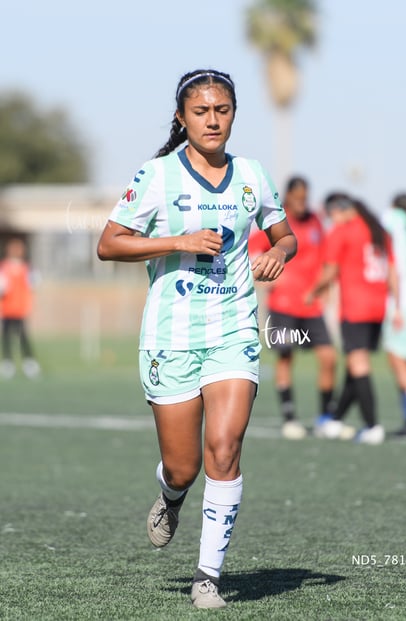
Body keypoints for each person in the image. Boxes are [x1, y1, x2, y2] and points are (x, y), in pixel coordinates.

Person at [97, 69, 297, 609]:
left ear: (234, 114)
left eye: (223, 109)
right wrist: (178, 240)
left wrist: (280, 251)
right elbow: (109, 244)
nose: (213, 120)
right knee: (184, 466)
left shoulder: (252, 174)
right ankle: (171, 494)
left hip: (233, 329)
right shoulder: (157, 175)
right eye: (202, 111)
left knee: (225, 450)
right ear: (182, 118)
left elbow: (284, 232)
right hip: (170, 337)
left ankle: (207, 576)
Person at [248, 176, 337, 440]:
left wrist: (325, 288)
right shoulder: (278, 223)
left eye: (304, 198)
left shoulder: (315, 222)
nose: (301, 203)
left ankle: (325, 418)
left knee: (329, 357)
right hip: (284, 306)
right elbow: (254, 250)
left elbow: (324, 257)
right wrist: (269, 277)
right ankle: (289, 418)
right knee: (286, 357)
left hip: (311, 306)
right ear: (288, 198)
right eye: (297, 198)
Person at [307, 193, 398, 445]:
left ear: (338, 210)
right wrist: (397, 307)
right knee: (355, 366)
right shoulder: (378, 230)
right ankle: (335, 420)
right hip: (377, 308)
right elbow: (392, 271)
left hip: (355, 308)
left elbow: (331, 270)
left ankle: (372, 425)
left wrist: (312, 291)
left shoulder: (343, 231)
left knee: (359, 366)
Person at [382, 193, 406, 435]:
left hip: (404, 304)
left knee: (398, 360)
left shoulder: (393, 219)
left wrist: (396, 308)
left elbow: (393, 265)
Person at [0, 237, 41, 379]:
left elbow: (33, 284)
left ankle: (29, 363)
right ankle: (7, 363)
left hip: (20, 309)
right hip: (6, 310)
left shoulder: (26, 268)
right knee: (6, 337)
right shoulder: (3, 267)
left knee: (23, 337)